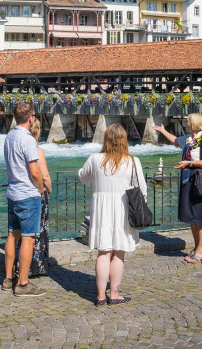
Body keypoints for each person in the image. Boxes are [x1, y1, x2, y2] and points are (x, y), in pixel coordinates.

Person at [78, 124, 147, 306]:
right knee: (118, 253)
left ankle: (100, 296)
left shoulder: (95, 159)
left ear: (106, 139)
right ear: (124, 140)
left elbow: (83, 177)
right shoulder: (132, 161)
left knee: (103, 252)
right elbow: (142, 189)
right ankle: (114, 293)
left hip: (102, 211)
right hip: (123, 210)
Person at [154, 112, 202, 263]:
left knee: (199, 216)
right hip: (187, 180)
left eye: (188, 121)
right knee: (192, 217)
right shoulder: (189, 139)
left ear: (194, 123)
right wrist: (163, 131)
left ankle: (200, 250)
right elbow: (175, 141)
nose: (186, 123)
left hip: (199, 181)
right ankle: (196, 248)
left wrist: (189, 163)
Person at [2, 102, 47, 297]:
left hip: (12, 192)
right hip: (27, 194)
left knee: (12, 235)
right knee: (28, 238)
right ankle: (23, 284)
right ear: (31, 118)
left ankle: (8, 278)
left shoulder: (9, 136)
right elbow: (35, 171)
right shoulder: (27, 139)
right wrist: (41, 188)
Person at [27, 117, 52, 277]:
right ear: (38, 132)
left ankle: (23, 266)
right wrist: (48, 189)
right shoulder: (37, 151)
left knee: (25, 234)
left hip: (22, 193)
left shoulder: (20, 147)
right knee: (38, 232)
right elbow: (45, 176)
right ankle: (38, 266)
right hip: (38, 194)